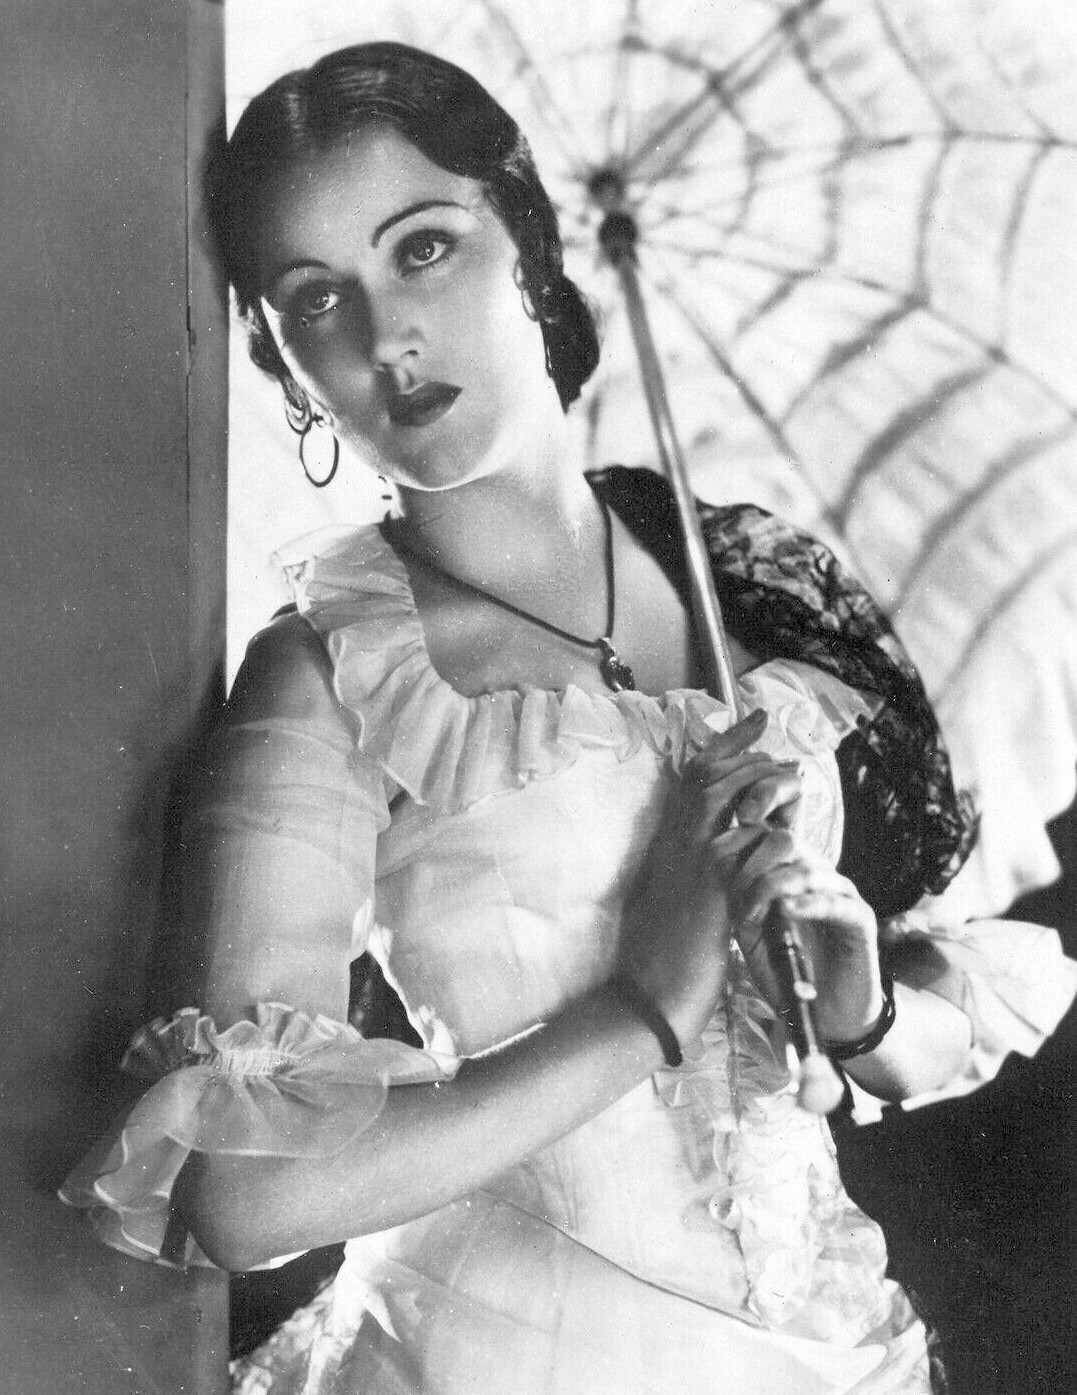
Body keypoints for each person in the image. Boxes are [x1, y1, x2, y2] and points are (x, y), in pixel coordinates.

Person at [60, 41, 1076, 1395]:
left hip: (834, 1353)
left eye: (424, 249)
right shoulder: (332, 676)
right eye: (315, 299)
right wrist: (646, 1008)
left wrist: (860, 1007)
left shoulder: (740, 590)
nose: (384, 335)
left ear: (529, 249)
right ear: (284, 366)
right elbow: (244, 1199)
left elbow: (925, 1015)